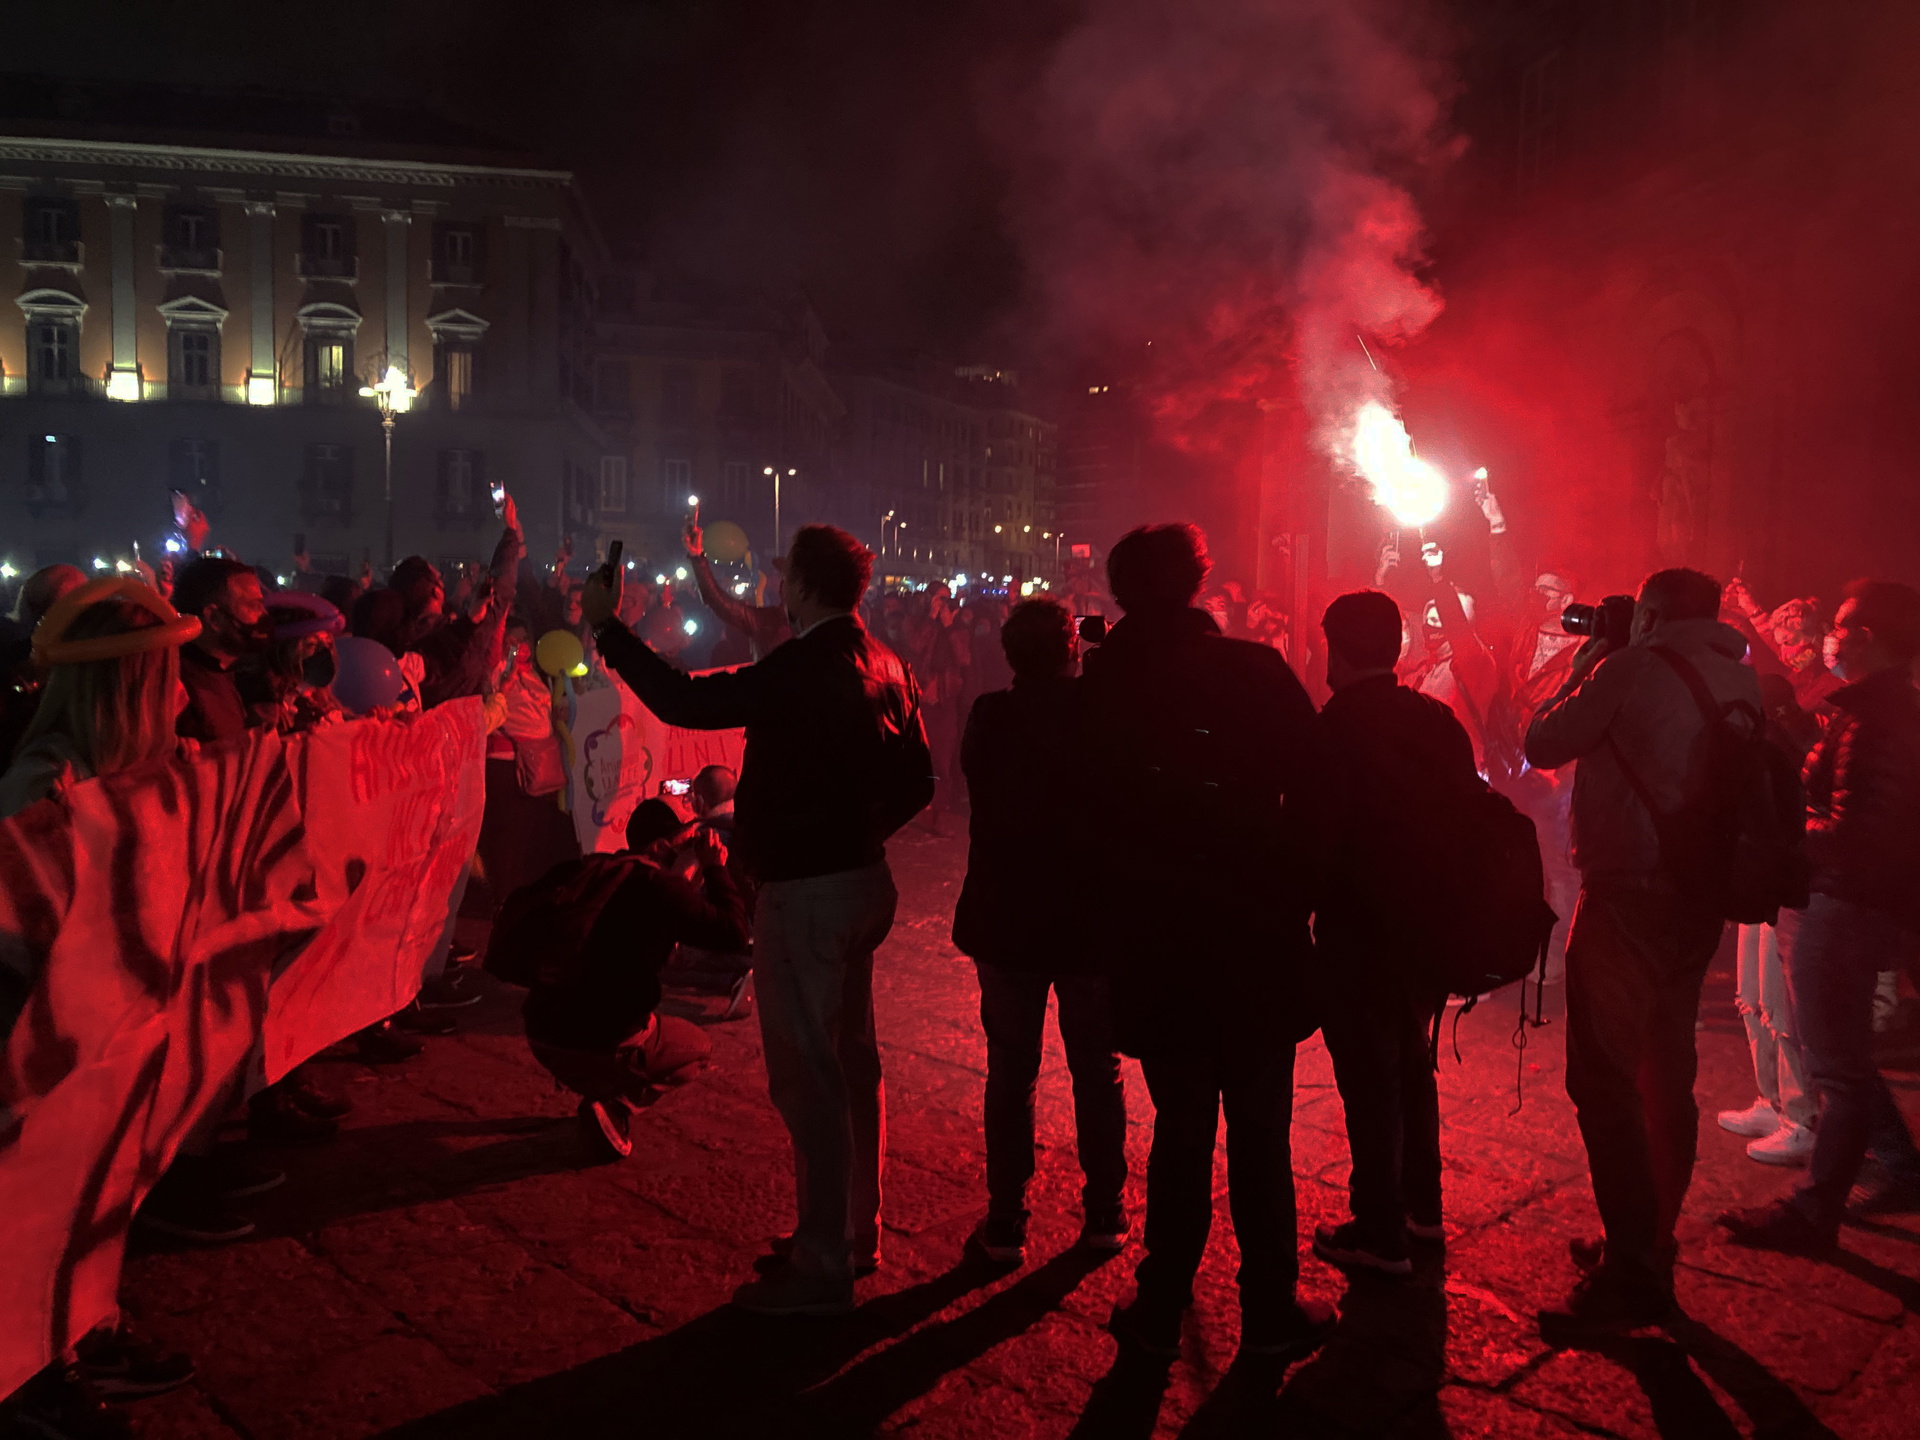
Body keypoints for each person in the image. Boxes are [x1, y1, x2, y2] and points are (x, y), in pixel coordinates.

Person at [581, 523, 934, 1316]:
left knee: (810, 1075)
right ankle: (852, 1229)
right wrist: (861, 832)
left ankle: (820, 1263)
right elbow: (919, 780)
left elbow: (686, 699)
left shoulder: (801, 665)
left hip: (808, 892)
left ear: (802, 586)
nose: (778, 587)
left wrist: (608, 628)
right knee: (852, 1064)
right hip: (862, 882)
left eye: (784, 576)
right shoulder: (889, 663)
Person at [1078, 523, 1334, 1364]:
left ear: (1121, 592)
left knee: (1181, 1123)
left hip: (1158, 937)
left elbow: (1087, 810)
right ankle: (1269, 1305)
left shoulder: (1106, 679)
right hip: (1252, 933)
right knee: (1259, 1130)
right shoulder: (1254, 669)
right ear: (1197, 580)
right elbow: (1318, 782)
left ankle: (1160, 1304)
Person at [1523, 567, 1763, 1341]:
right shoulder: (1739, 677)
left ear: (1652, 614)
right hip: (1697, 897)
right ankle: (1651, 1244)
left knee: (1603, 1077)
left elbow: (1541, 740)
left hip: (1627, 891)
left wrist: (1592, 661)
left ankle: (1631, 1268)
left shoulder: (1632, 666)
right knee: (1668, 1070)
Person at [0, 579, 204, 1424]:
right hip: (40, 1047)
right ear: (130, 688)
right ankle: (31, 1370)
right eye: (169, 675)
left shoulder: (126, 774)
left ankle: (83, 1329)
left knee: (92, 1195)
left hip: (104, 1038)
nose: (186, 691)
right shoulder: (42, 792)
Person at [1720, 581, 1920, 1250]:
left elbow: (1863, 833)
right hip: (1840, 900)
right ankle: (1903, 1171)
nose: (1833, 636)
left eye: (1842, 625)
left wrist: (1785, 827)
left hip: (1843, 905)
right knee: (1843, 1057)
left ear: (1869, 638)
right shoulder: (1869, 713)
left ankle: (1815, 1212)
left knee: (1836, 1065)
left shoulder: (1879, 722)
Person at [1310, 590, 1483, 1277]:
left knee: (1369, 1078)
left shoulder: (1337, 725)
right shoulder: (1435, 719)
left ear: (1337, 648)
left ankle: (1379, 1229)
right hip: (1428, 924)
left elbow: (1315, 835)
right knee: (1414, 1064)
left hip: (1360, 927)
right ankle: (1423, 1209)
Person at [952, 598, 1127, 1268]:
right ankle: (1105, 1210)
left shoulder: (991, 715)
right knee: (1096, 1068)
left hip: (1007, 916)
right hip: (1085, 918)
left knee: (1011, 1071)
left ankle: (1006, 1220)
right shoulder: (1098, 712)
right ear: (1071, 651)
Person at [519, 801, 743, 1161]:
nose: (695, 848)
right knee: (696, 1048)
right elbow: (734, 933)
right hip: (596, 1044)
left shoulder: (595, 868)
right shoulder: (657, 887)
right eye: (687, 841)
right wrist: (715, 870)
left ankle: (597, 1080)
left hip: (540, 1034)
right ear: (658, 847)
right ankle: (617, 1105)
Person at [170, 555, 273, 742]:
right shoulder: (176, 688)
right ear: (214, 618)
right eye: (253, 605)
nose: (263, 615)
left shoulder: (229, 672)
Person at [685, 521, 792, 660]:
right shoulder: (766, 620)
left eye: (789, 579)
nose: (783, 585)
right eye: (783, 579)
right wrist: (698, 558)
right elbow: (718, 601)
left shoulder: (820, 628)